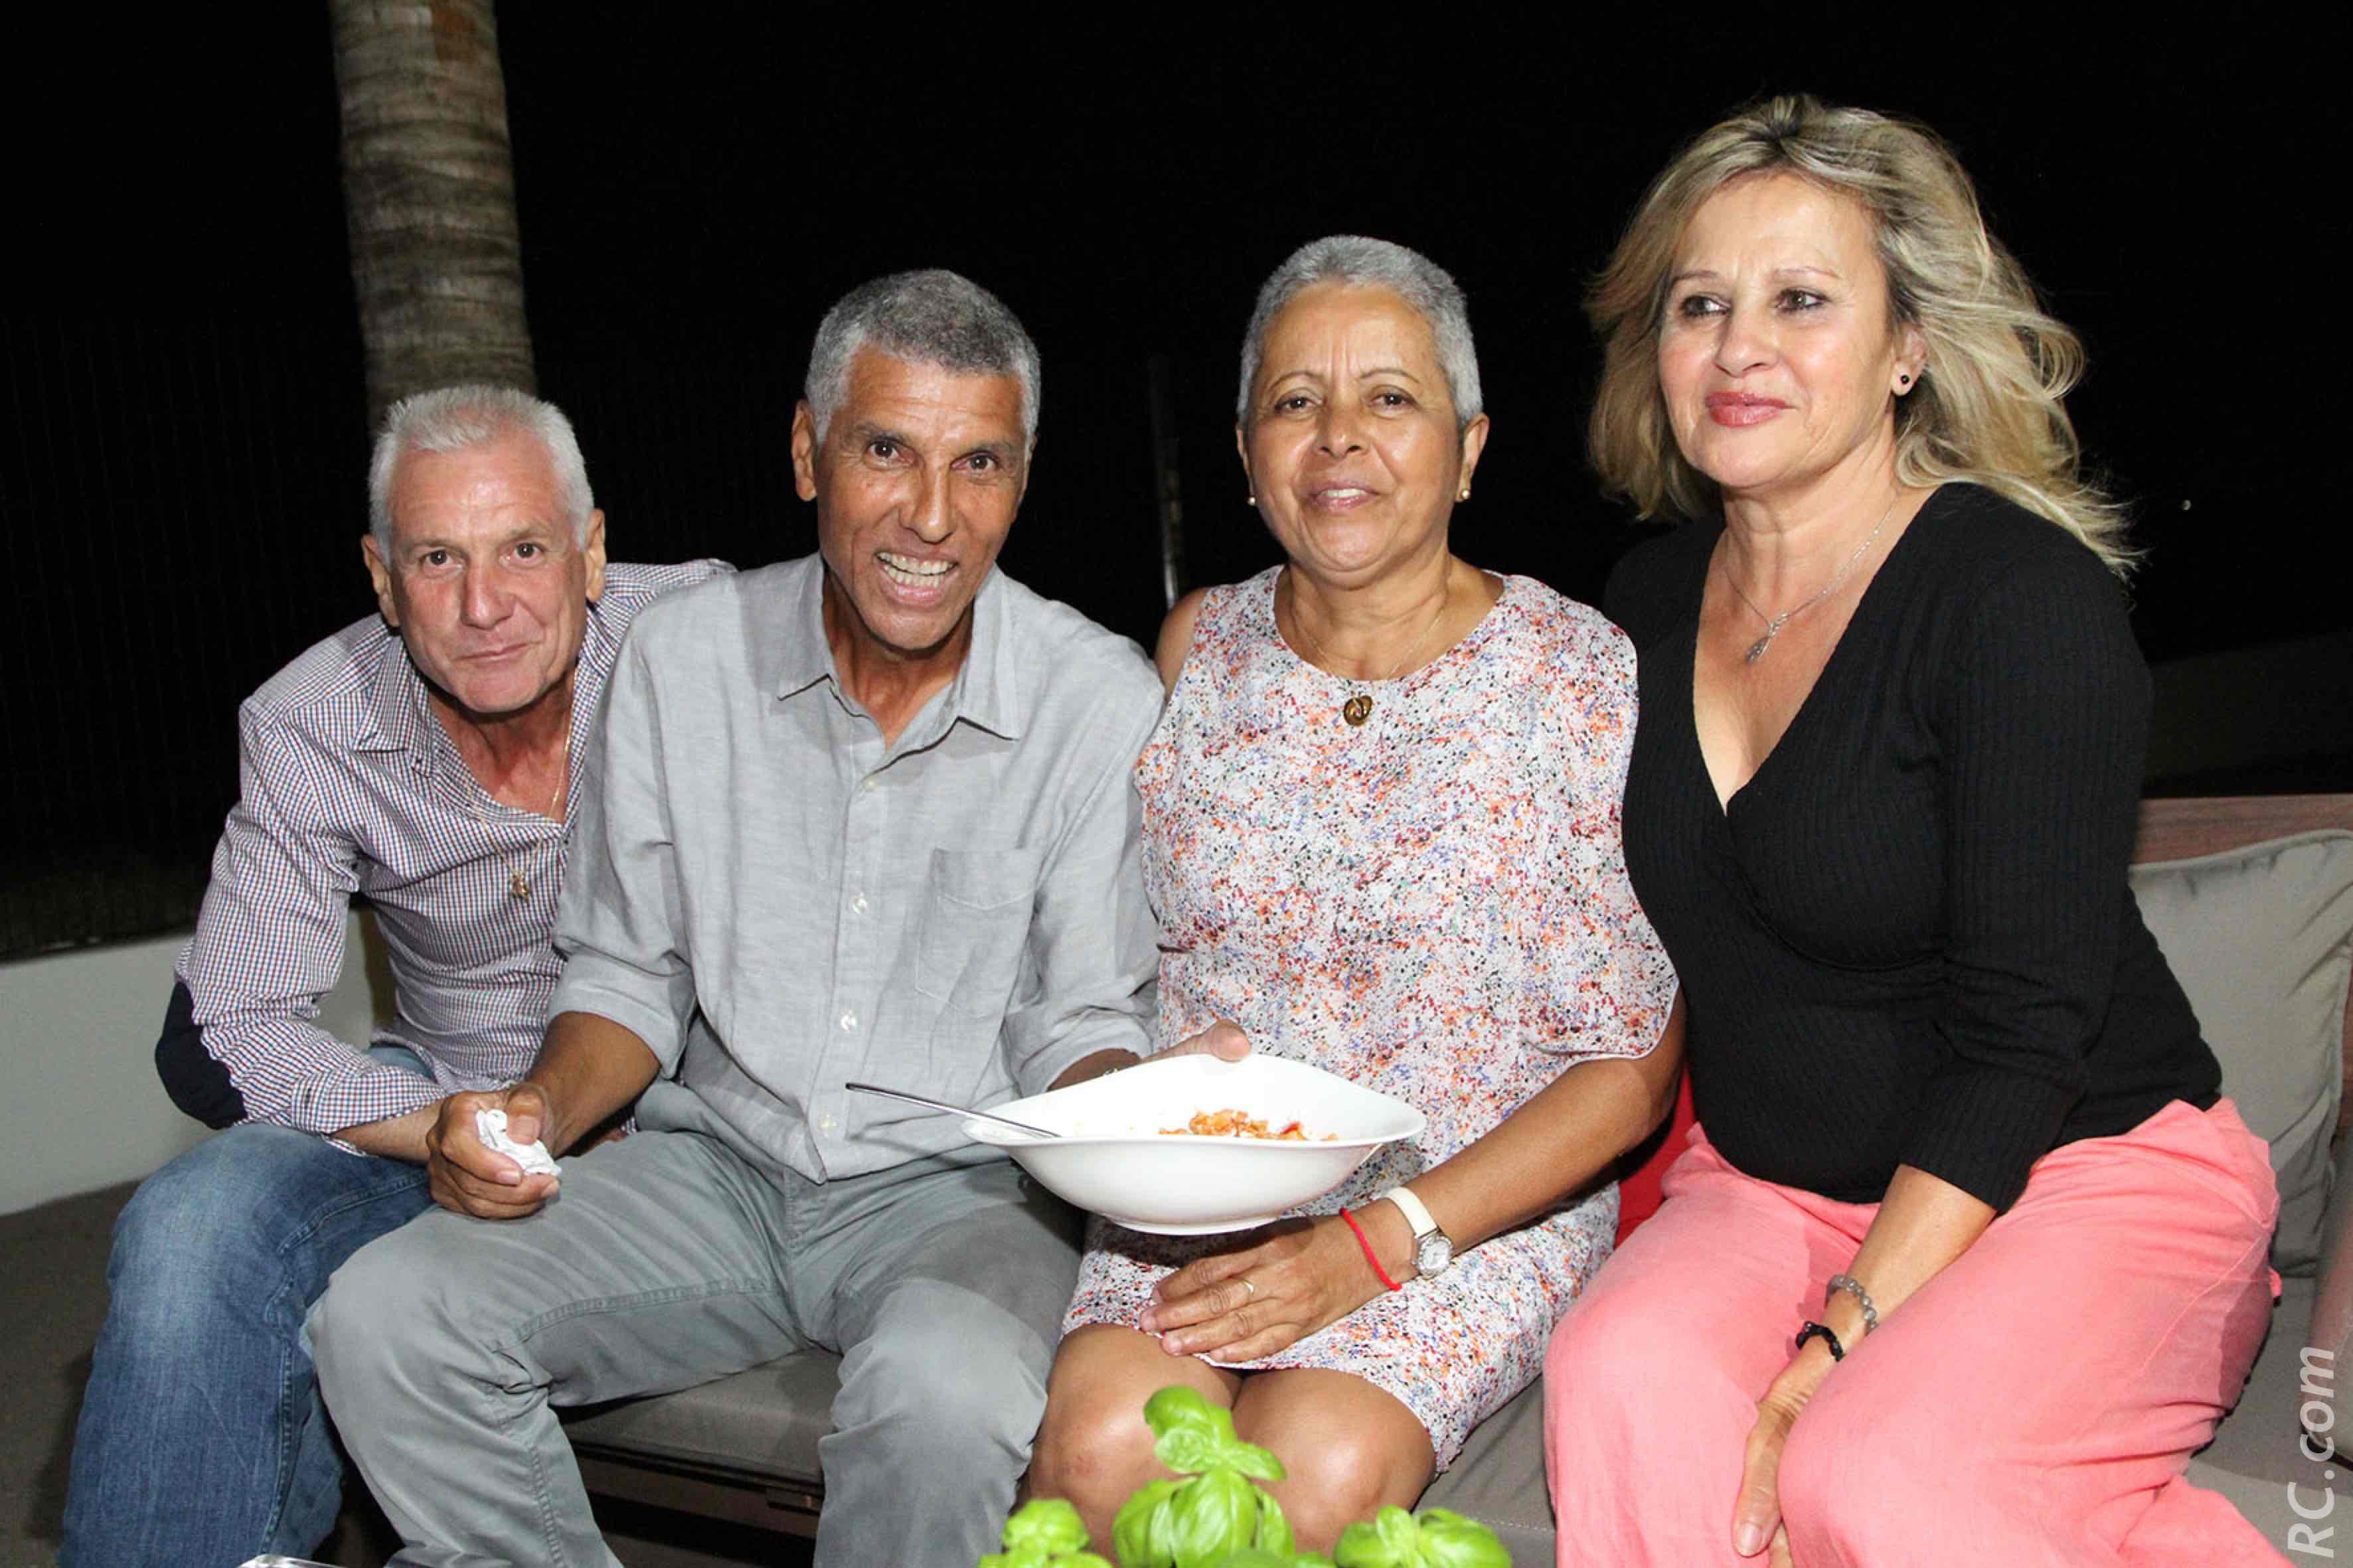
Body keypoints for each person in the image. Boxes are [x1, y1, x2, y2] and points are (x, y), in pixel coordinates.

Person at [309, 270, 1181, 1568]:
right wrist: (538, 1110)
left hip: (966, 1187)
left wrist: (1145, 1113)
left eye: (978, 463)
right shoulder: (683, 659)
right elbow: (626, 974)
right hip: (715, 1166)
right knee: (384, 1315)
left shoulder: (1089, 694)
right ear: (805, 450)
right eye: (885, 449)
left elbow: (1081, 1013)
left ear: (1022, 473)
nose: (931, 517)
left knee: (943, 1393)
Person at [1542, 96, 2282, 1567]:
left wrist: (1833, 1345)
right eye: (1701, 304)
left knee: (1870, 1476)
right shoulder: (1637, 604)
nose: (1738, 344)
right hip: (1771, 1185)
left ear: (1905, 349)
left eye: (1800, 300)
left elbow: (2025, 1034)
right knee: (1616, 1384)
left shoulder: (2015, 603)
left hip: (2073, 1173)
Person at [1024, 236, 1680, 1550]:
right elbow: (1107, 957)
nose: (1337, 437)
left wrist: (1372, 1242)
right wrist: (1139, 1110)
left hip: (1462, 1202)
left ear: (1469, 446)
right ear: (1245, 451)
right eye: (1293, 400)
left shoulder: (1574, 679)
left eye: (1388, 396)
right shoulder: (1190, 647)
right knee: (1106, 1449)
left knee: (1299, 1475)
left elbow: (1630, 1067)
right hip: (1203, 1197)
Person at [58, 386, 724, 1568]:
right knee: (191, 1222)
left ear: (594, 550)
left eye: (524, 548)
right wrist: (442, 1128)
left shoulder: (714, 638)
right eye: (436, 557)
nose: (484, 606)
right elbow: (220, 1025)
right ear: (380, 575)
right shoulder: (315, 718)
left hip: (696, 1115)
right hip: (445, 1093)